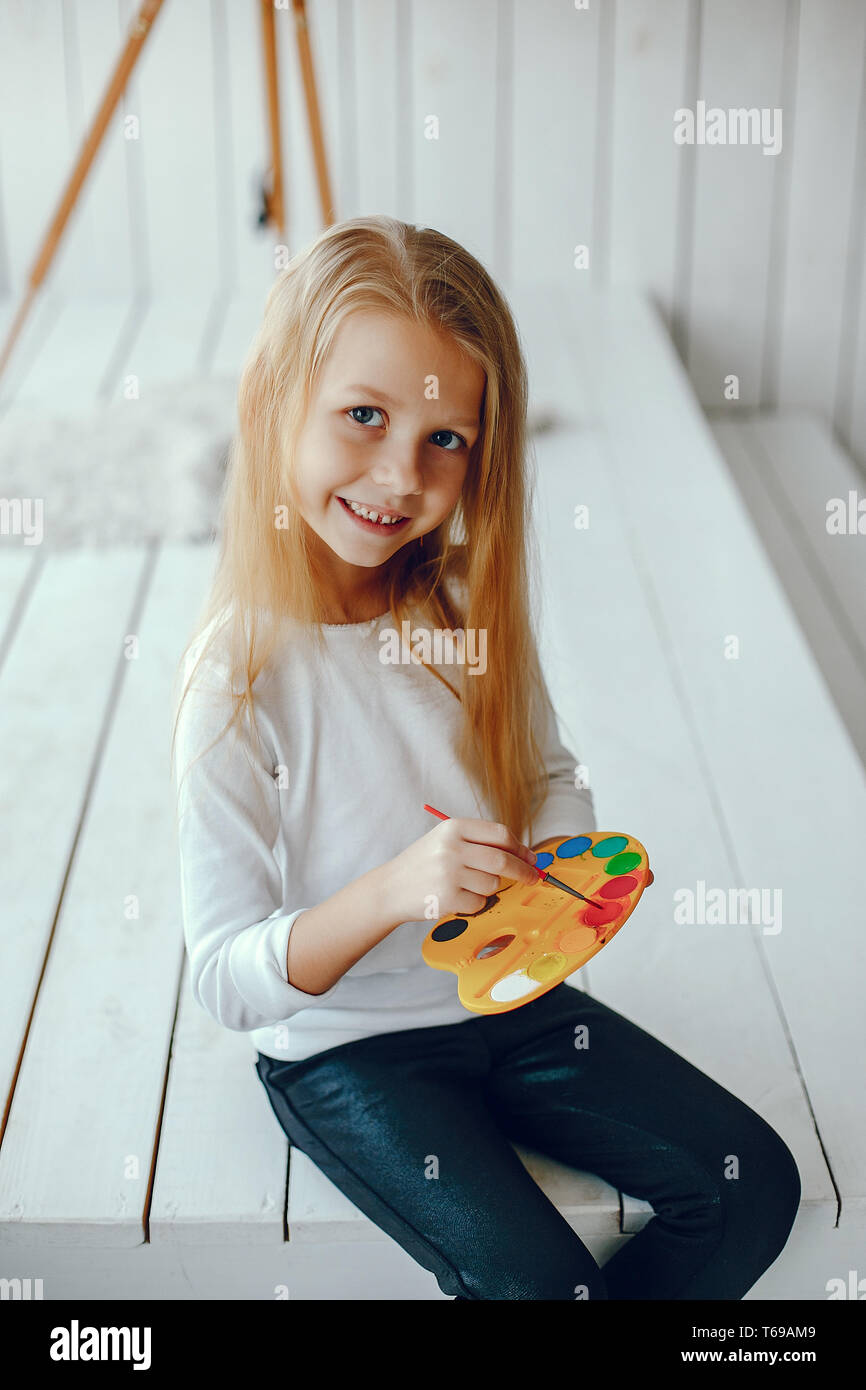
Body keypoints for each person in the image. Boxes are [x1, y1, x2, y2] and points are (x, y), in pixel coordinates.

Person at [170, 215, 800, 1300]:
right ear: (276, 403)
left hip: (513, 1004)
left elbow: (547, 776)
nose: (396, 476)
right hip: (345, 1053)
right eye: (361, 416)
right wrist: (388, 895)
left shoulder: (464, 613)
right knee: (538, 1282)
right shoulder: (235, 677)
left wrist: (567, 865)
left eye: (442, 439)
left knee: (751, 1186)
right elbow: (226, 979)